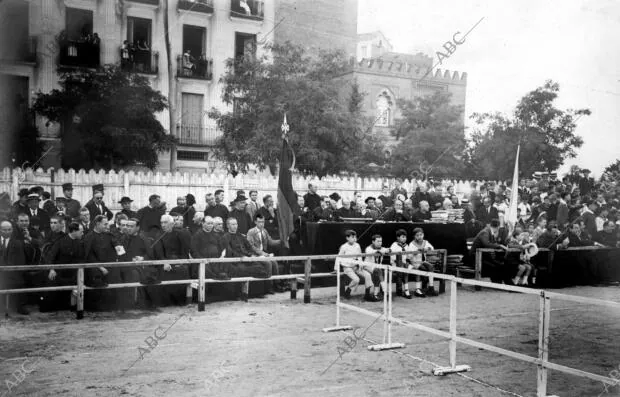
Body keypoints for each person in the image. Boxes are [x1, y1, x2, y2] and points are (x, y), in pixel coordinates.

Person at [83, 215, 123, 310]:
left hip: (110, 265)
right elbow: (89, 256)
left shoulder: (109, 235)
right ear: (97, 224)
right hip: (95, 266)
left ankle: (114, 305)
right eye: (105, 224)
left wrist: (118, 247)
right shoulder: (89, 237)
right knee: (96, 276)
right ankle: (98, 307)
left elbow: (119, 249)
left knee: (118, 274)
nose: (107, 226)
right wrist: (100, 267)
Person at [45, 222, 85, 311]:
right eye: (81, 231)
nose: (82, 234)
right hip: (59, 273)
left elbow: (81, 259)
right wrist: (51, 269)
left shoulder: (80, 243)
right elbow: (50, 256)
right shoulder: (60, 241)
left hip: (73, 274)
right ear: (74, 231)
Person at [153, 214, 191, 306]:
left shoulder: (180, 233)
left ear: (172, 223)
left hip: (179, 261)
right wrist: (165, 263)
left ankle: (181, 301)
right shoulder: (159, 235)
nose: (163, 225)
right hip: (165, 262)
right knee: (166, 271)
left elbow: (184, 251)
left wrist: (181, 262)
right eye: (161, 222)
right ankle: (167, 302)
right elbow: (159, 253)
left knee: (182, 270)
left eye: (165, 222)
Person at [335, 230, 378, 302]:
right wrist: (336, 269)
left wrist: (360, 264)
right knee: (356, 279)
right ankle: (347, 292)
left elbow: (360, 256)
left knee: (367, 275)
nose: (354, 238)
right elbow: (338, 257)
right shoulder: (344, 247)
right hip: (347, 268)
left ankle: (367, 295)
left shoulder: (357, 245)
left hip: (356, 266)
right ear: (347, 238)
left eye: (355, 237)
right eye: (352, 237)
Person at [247, 213, 284, 294]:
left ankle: (277, 283)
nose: (262, 224)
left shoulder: (264, 231)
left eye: (263, 222)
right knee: (268, 263)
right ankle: (269, 286)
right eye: (259, 222)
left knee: (274, 262)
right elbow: (251, 247)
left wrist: (281, 241)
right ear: (255, 222)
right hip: (255, 255)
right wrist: (262, 253)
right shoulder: (251, 232)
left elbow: (270, 242)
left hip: (263, 255)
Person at [0, 220, 29, 315]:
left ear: (12, 230)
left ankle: (20, 307)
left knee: (20, 281)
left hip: (12, 272)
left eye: (9, 230)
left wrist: (10, 271)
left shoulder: (17, 243)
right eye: (4, 230)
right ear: (0, 230)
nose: (6, 232)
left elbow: (20, 260)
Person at [468, 219, 509, 284]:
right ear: (498, 227)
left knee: (500, 264)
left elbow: (492, 243)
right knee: (495, 266)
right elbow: (486, 244)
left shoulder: (489, 232)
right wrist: (500, 246)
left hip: (482, 256)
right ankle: (498, 284)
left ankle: (500, 283)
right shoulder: (485, 232)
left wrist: (499, 245)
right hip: (475, 258)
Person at [408, 227, 438, 296]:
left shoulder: (425, 242)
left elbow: (432, 248)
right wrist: (414, 253)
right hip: (415, 263)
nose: (419, 237)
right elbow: (408, 257)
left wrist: (427, 248)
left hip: (423, 261)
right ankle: (422, 288)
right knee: (424, 269)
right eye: (417, 235)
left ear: (423, 235)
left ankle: (431, 288)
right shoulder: (412, 244)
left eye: (421, 235)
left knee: (430, 267)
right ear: (414, 236)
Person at [389, 229, 420, 298]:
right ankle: (406, 290)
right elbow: (393, 258)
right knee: (405, 271)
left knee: (417, 271)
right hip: (396, 265)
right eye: (402, 237)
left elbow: (408, 256)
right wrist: (402, 263)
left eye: (405, 237)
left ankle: (417, 289)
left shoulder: (406, 246)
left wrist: (413, 254)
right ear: (398, 237)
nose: (404, 238)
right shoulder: (394, 245)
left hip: (404, 264)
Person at [363, 234, 390, 300]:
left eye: (381, 241)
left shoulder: (382, 248)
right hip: (367, 266)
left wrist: (388, 250)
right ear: (373, 241)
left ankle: (375, 294)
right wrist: (381, 251)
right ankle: (385, 290)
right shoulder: (369, 248)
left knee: (378, 272)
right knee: (378, 271)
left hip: (376, 268)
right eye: (378, 241)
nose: (380, 243)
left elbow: (389, 249)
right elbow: (371, 251)